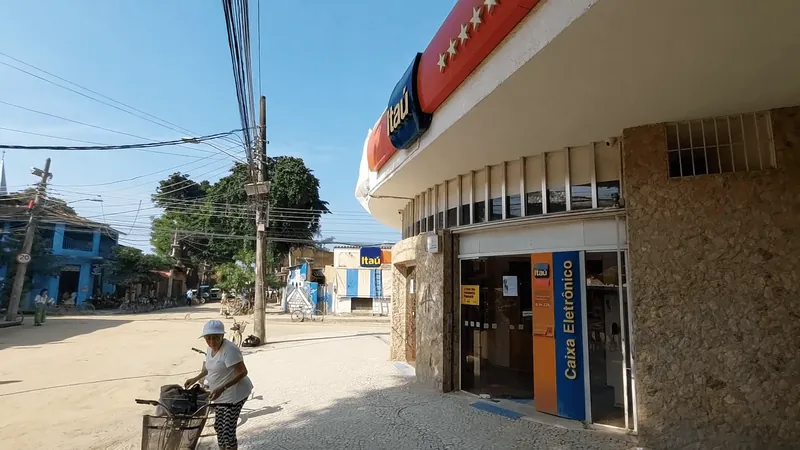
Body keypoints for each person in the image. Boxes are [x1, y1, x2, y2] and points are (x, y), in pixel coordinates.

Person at [185, 320, 252, 450]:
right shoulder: (210, 349)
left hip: (235, 394)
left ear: (222, 336)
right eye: (208, 338)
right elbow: (208, 367)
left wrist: (223, 388)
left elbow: (243, 372)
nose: (211, 341)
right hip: (220, 394)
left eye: (215, 338)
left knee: (227, 431)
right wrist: (195, 378)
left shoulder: (230, 350)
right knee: (218, 427)